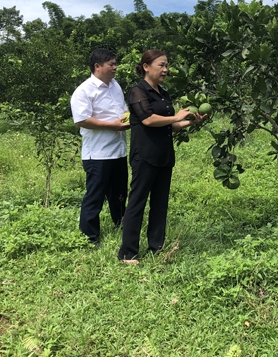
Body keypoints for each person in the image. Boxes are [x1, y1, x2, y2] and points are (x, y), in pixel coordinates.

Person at [118, 50, 205, 264]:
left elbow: (170, 124)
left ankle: (156, 247)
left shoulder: (163, 93)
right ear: (146, 66)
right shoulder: (138, 91)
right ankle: (128, 253)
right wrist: (176, 116)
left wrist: (190, 122)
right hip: (145, 156)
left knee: (160, 202)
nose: (165, 69)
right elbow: (148, 119)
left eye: (167, 65)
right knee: (137, 202)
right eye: (161, 65)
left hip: (164, 155)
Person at [70, 48, 130, 247]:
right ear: (98, 66)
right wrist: (112, 125)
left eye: (115, 63)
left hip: (118, 150)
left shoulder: (115, 86)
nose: (115, 67)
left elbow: (121, 110)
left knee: (120, 193)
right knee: (95, 195)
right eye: (111, 64)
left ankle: (121, 224)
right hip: (97, 153)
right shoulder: (84, 90)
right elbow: (81, 120)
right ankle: (89, 236)